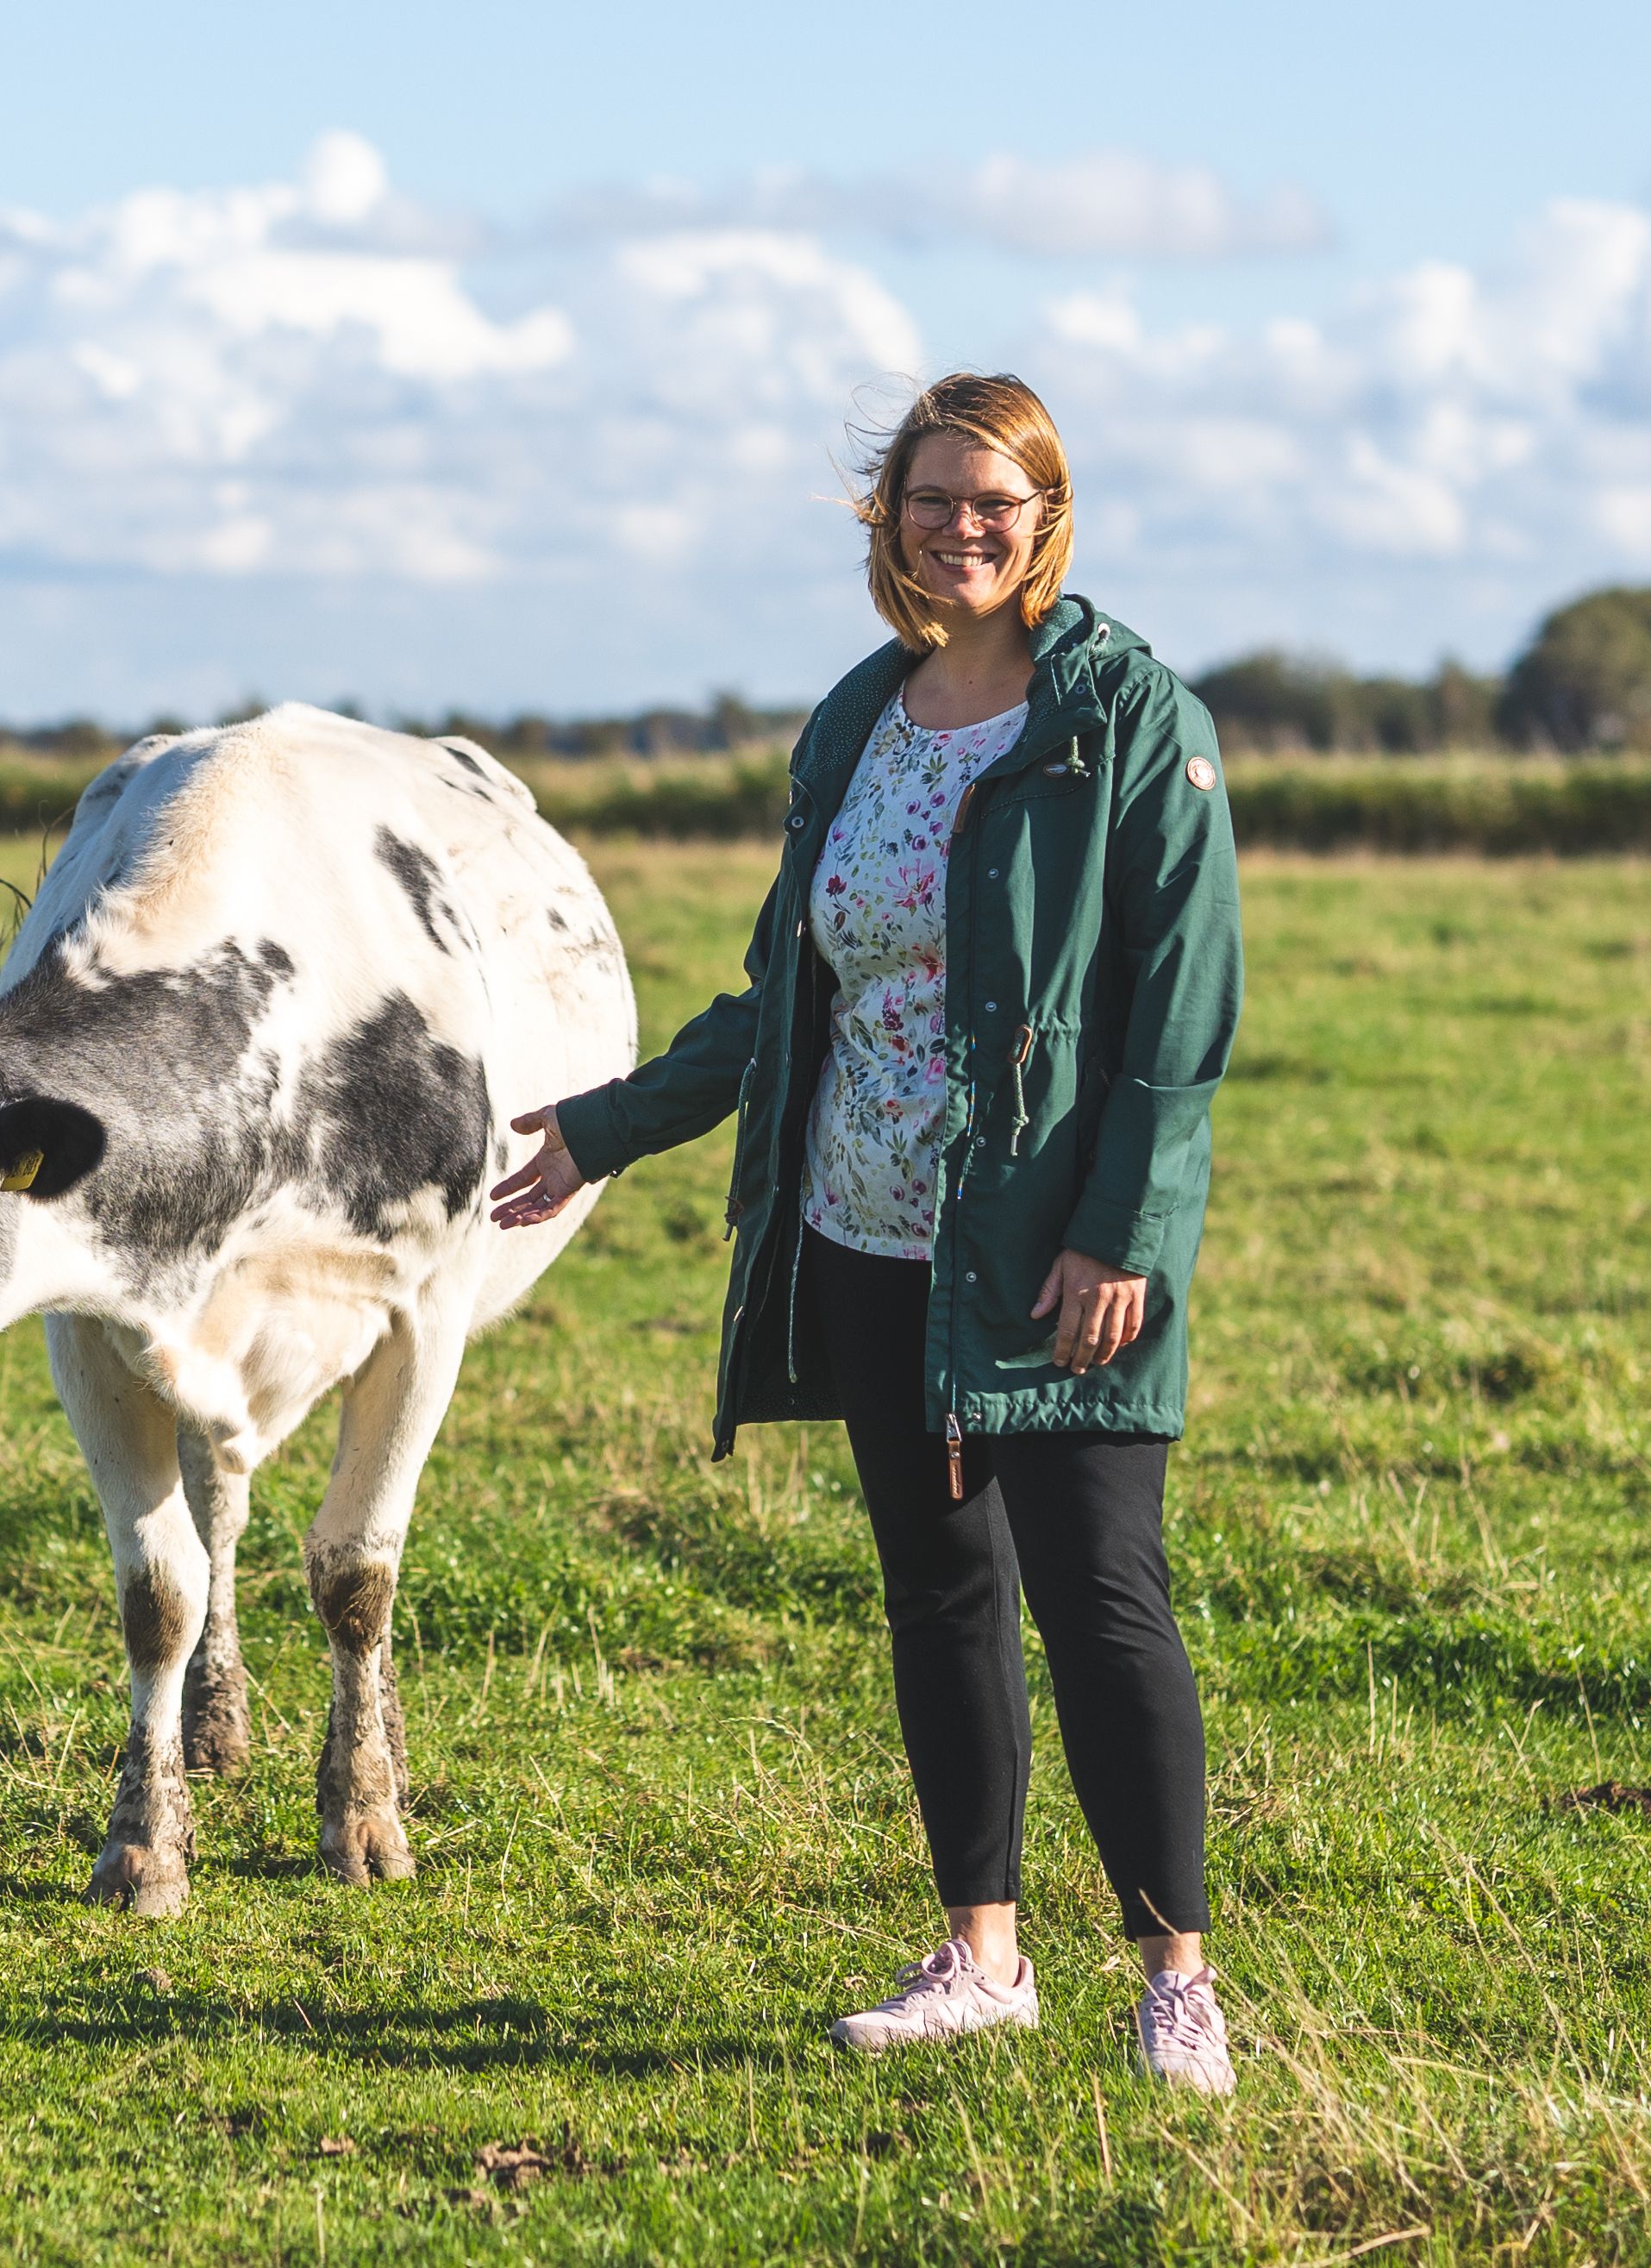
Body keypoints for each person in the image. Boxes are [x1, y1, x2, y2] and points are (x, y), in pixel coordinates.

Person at [490, 373, 1244, 2096]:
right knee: (937, 1591)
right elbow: (785, 992)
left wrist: (1117, 1232)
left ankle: (1174, 1979)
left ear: (1044, 515)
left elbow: (1173, 1013)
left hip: (1050, 1248)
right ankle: (980, 1952)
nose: (959, 529)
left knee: (1100, 1595)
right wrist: (604, 1127)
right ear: (883, 522)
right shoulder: (859, 718)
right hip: (860, 1226)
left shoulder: (1120, 716)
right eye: (928, 502)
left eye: (994, 501)